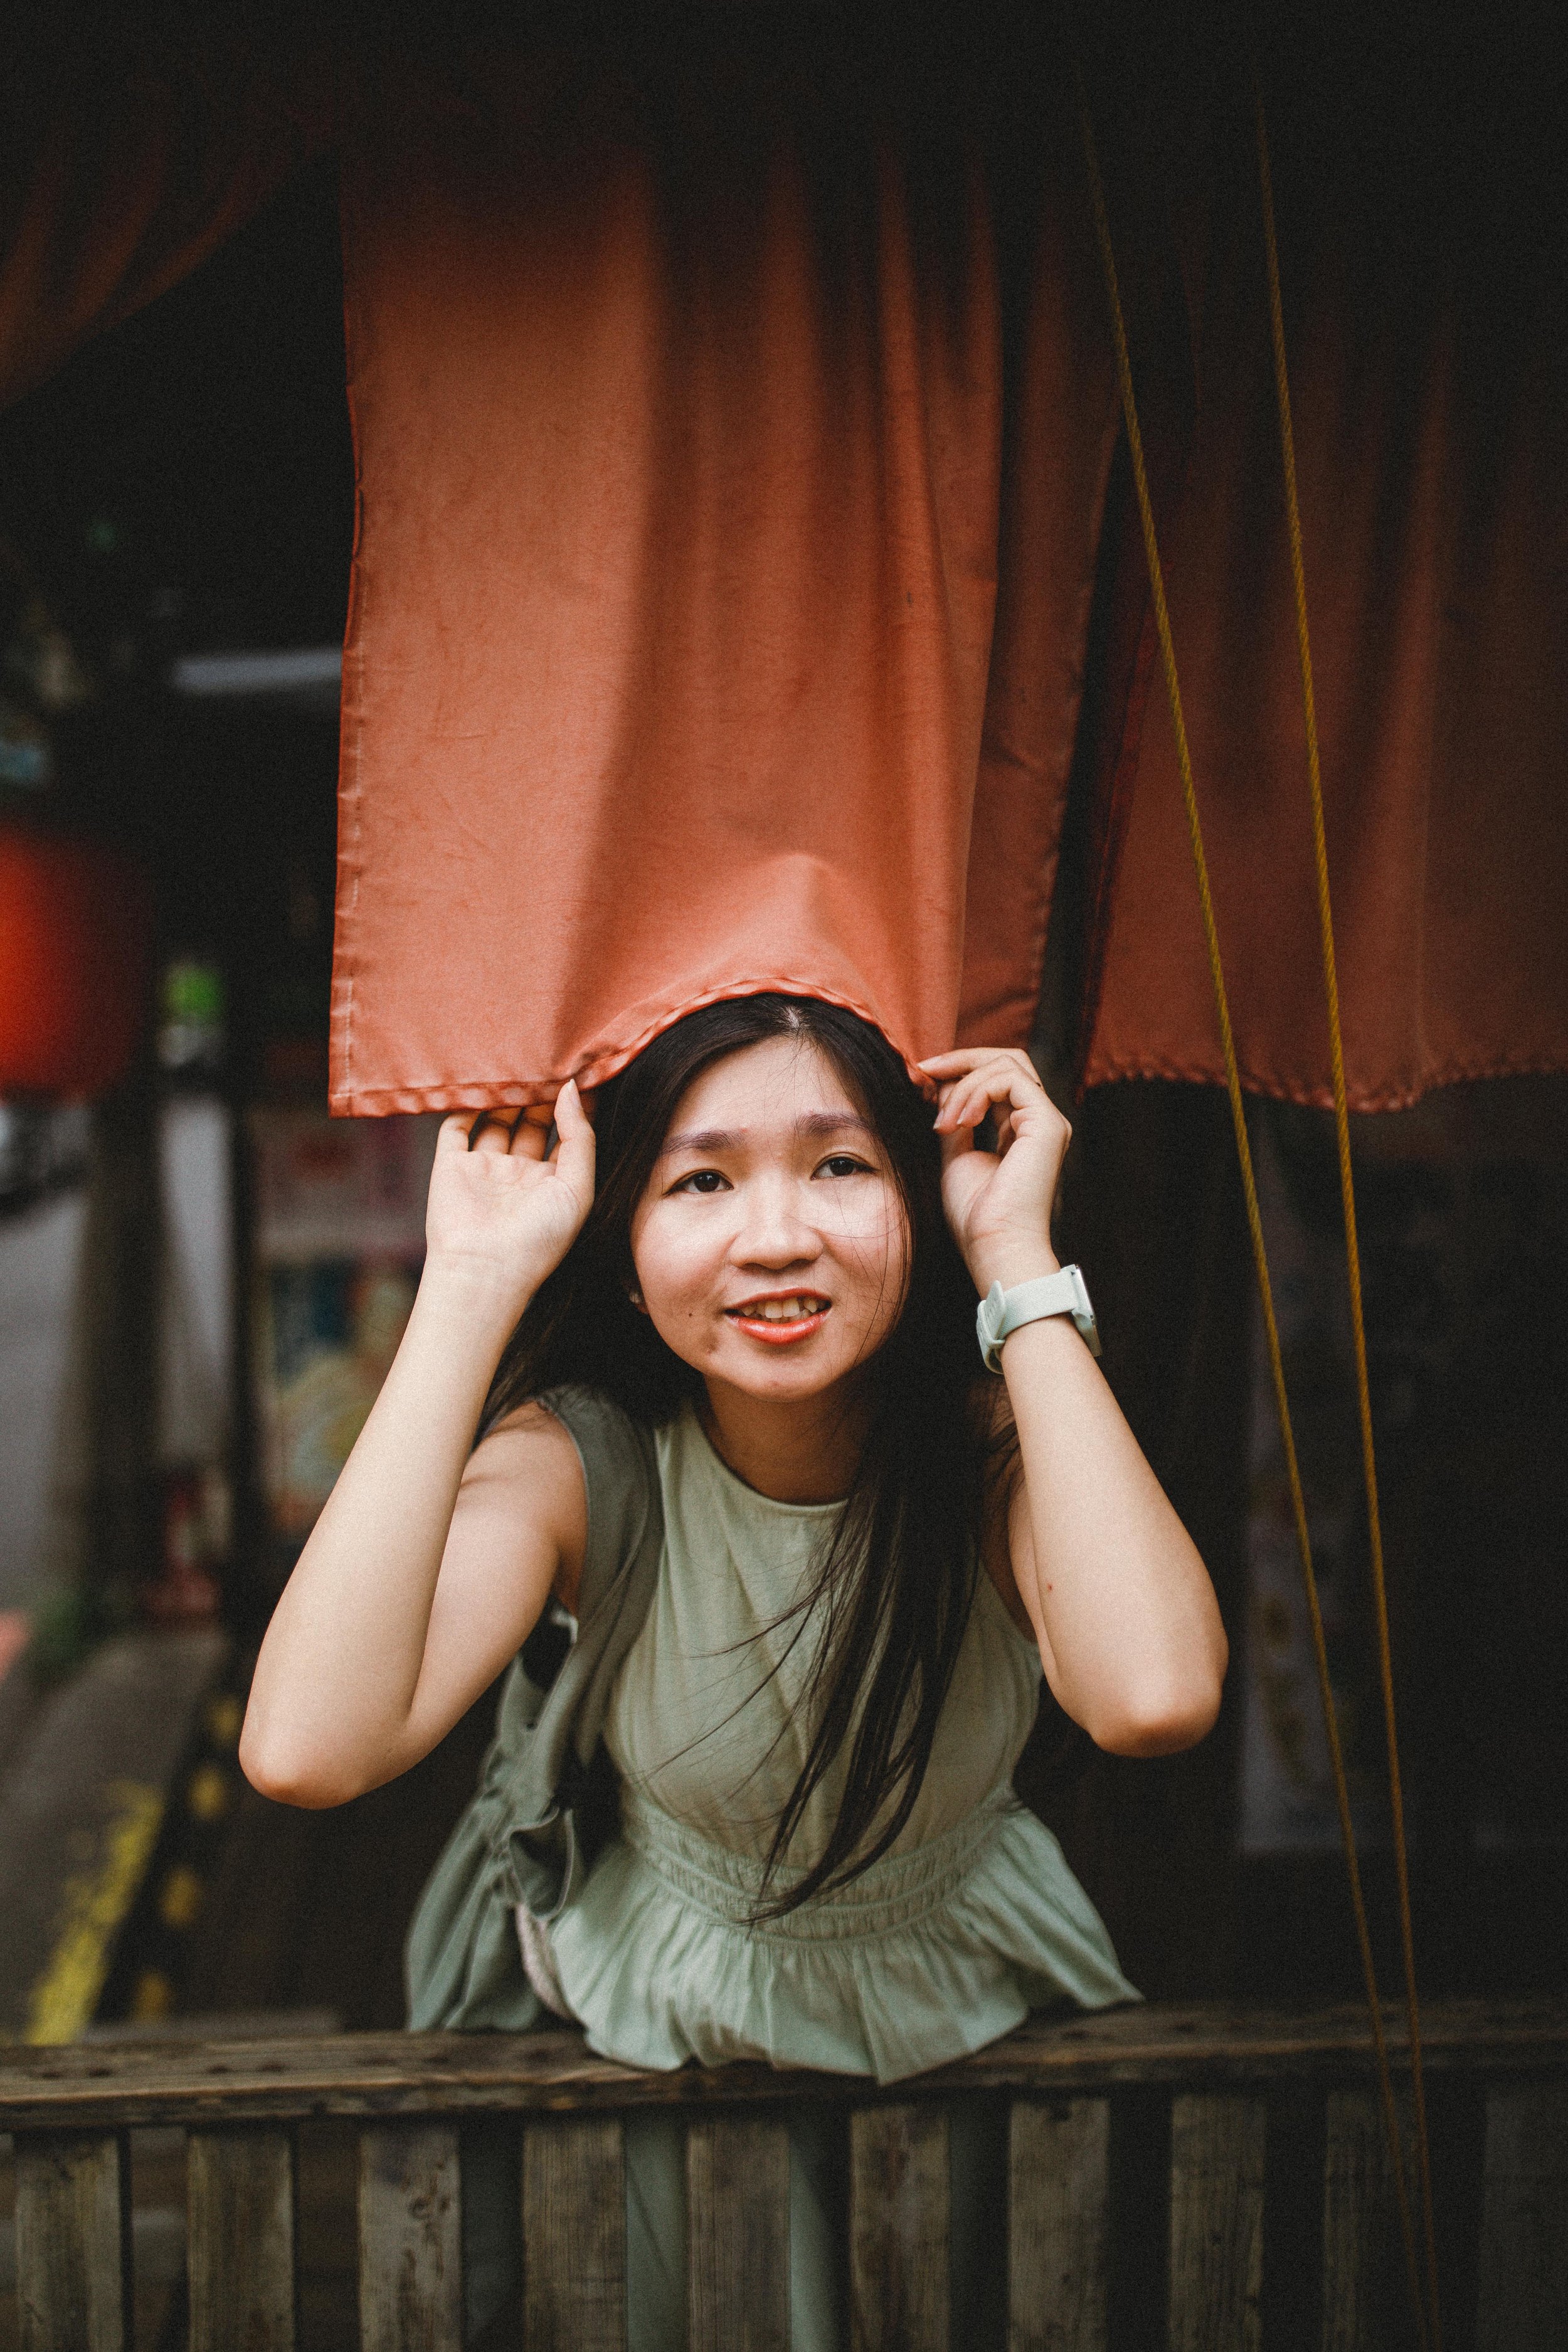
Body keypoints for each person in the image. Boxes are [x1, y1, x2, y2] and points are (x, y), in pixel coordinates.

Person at [241, 993, 1227, 2348]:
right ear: (629, 1253)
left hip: (970, 2016)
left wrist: (1013, 1259)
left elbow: (1154, 1695)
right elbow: (306, 1745)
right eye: (700, 1179)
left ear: (915, 1199)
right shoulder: (587, 1467)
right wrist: (470, 1282)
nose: (775, 1238)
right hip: (668, 2035)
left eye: (838, 1166)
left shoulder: (997, 1451)